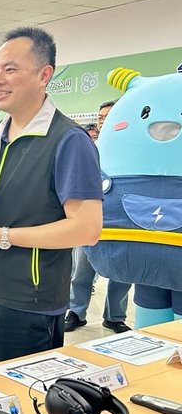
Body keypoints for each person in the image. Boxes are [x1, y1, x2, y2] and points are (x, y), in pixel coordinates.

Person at [0, 26, 103, 367]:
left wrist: (3, 236)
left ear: (44, 75)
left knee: (28, 408)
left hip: (29, 302)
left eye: (10, 70)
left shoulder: (68, 141)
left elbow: (87, 229)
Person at [65, 99, 131, 334]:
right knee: (82, 267)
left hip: (125, 217)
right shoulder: (88, 145)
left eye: (109, 115)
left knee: (123, 270)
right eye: (101, 117)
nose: (104, 120)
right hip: (93, 214)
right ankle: (75, 312)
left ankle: (115, 317)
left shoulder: (133, 144)